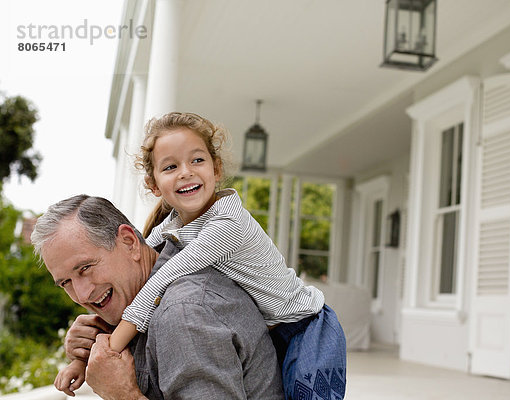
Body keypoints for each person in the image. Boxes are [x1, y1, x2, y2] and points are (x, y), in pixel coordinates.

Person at [57, 112, 347, 400]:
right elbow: (143, 252)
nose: (186, 172)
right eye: (170, 166)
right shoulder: (173, 226)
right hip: (274, 328)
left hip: (306, 328)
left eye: (197, 160)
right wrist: (87, 351)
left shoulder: (226, 225)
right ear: (154, 184)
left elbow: (160, 279)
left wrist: (110, 350)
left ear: (216, 169)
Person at [31, 195, 284, 399]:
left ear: (129, 242)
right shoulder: (141, 296)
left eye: (85, 268)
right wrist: (86, 350)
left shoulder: (183, 313)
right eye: (66, 282)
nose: (82, 294)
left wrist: (123, 395)